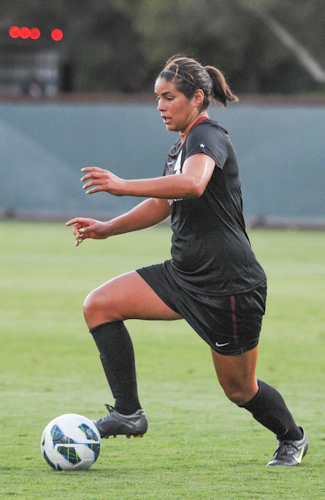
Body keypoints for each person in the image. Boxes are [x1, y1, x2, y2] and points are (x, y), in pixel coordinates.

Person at [66, 56, 308, 466]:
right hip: (183, 275)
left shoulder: (208, 136)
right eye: (157, 98)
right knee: (100, 305)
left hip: (228, 285)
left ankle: (292, 437)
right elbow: (163, 204)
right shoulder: (179, 146)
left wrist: (122, 186)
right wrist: (109, 228)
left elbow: (193, 185)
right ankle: (128, 412)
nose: (160, 106)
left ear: (197, 98)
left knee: (239, 390)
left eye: (169, 97)